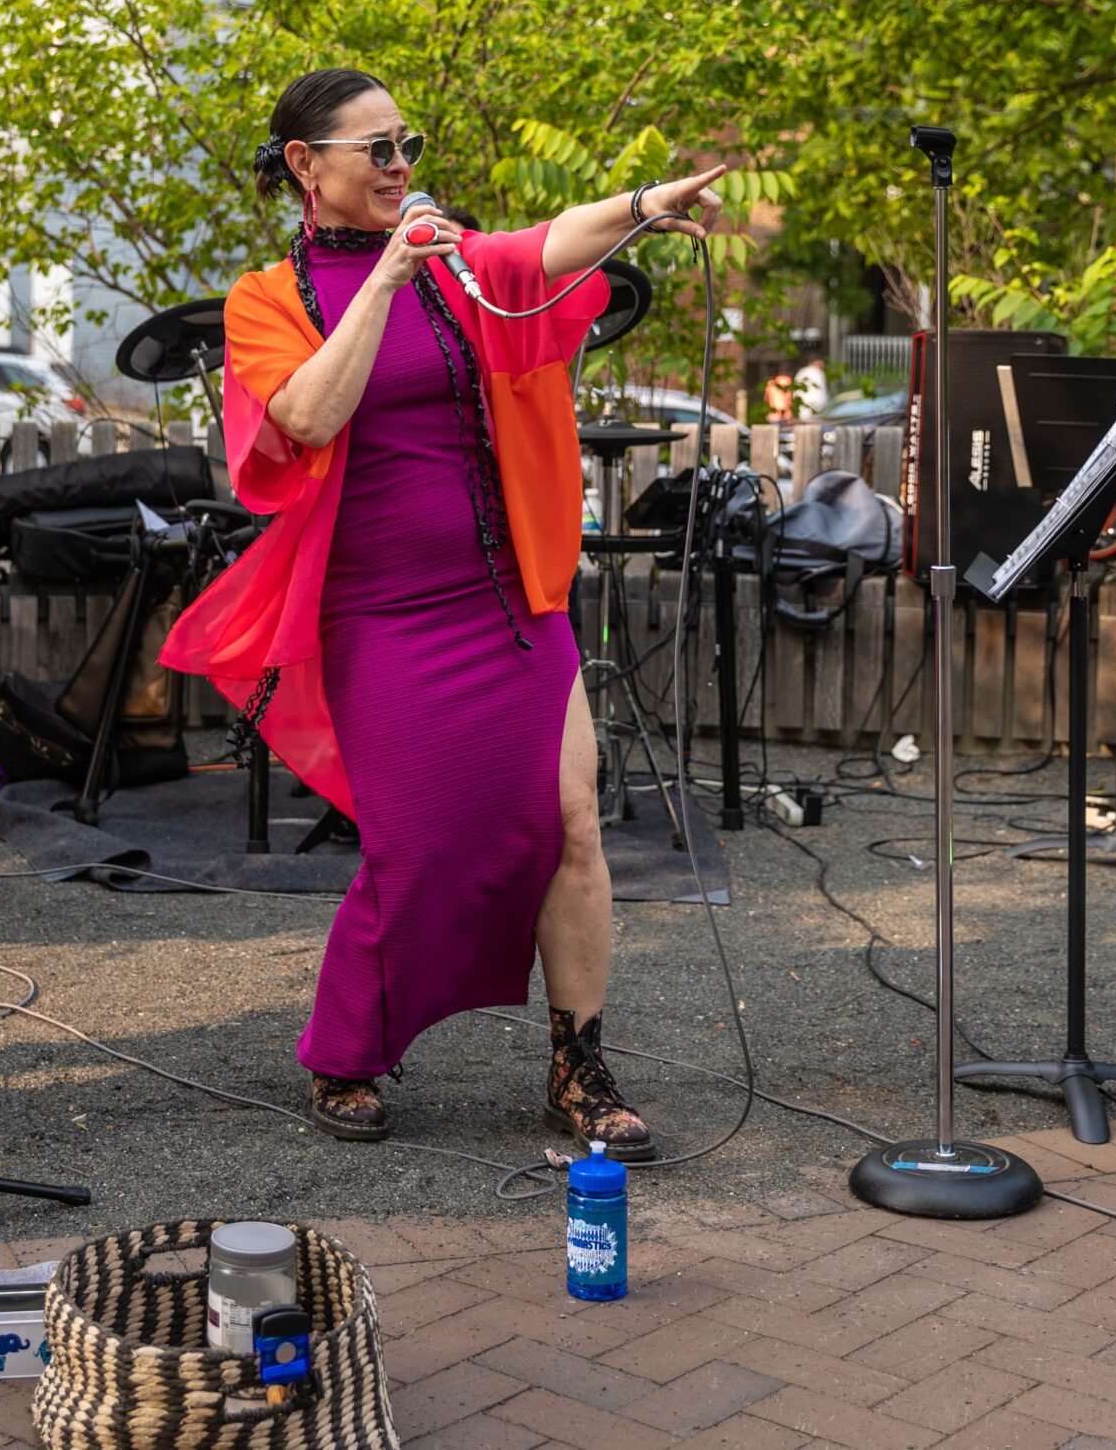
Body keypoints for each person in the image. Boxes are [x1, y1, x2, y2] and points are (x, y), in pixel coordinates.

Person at [163, 67, 723, 1154]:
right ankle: (344, 1052)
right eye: (373, 149)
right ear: (304, 166)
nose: (399, 165)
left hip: (510, 595)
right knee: (415, 849)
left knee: (570, 822)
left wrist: (646, 204)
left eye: (404, 144)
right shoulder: (267, 299)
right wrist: (379, 282)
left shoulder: (460, 266)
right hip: (379, 612)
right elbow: (307, 416)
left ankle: (579, 1063)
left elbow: (543, 245)